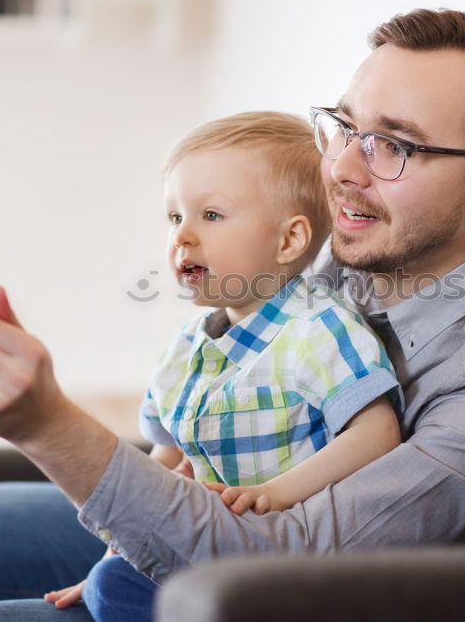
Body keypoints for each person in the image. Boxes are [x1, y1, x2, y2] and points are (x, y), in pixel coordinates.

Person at [0, 8, 465, 622]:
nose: (343, 169)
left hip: (301, 591)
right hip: (231, 496)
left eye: (394, 146)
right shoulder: (363, 238)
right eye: (345, 126)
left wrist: (46, 425)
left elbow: (273, 565)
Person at [42, 111, 403, 613]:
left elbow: (378, 432)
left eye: (210, 216)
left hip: (282, 566)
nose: (182, 237)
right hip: (200, 547)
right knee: (111, 582)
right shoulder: (185, 352)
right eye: (175, 217)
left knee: (115, 590)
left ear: (289, 241)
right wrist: (117, 555)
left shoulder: (318, 328)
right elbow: (164, 461)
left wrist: (276, 493)